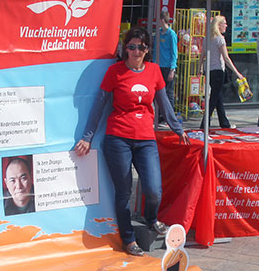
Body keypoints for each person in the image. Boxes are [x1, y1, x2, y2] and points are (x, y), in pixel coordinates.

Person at [73, 27, 188, 257]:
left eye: (141, 47)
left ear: (147, 50)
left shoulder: (155, 71)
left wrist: (177, 128)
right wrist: (87, 137)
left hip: (146, 139)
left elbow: (164, 103)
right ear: (125, 49)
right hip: (118, 139)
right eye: (132, 47)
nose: (136, 51)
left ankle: (152, 218)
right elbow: (98, 106)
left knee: (154, 189)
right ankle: (128, 238)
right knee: (123, 191)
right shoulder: (115, 71)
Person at [205, 15, 245, 129]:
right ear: (219, 25)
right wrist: (237, 73)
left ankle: (224, 123)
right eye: (225, 23)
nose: (226, 26)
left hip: (209, 71)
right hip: (218, 71)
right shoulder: (220, 39)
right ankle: (204, 123)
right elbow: (226, 58)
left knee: (218, 97)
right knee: (214, 98)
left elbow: (203, 55)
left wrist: (199, 69)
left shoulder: (207, 38)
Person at [154, 10, 178, 92]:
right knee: (158, 90)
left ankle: (169, 105)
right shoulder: (158, 33)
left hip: (167, 67)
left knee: (168, 91)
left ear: (162, 20)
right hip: (158, 66)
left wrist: (172, 69)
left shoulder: (172, 34)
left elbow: (174, 52)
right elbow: (155, 50)